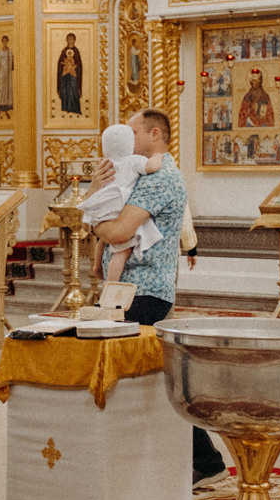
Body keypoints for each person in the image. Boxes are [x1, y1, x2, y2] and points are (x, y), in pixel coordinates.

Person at [91, 107, 220, 481]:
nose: (127, 139)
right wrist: (97, 191)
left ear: (155, 135)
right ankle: (206, 460)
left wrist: (95, 219)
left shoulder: (161, 177)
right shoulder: (138, 173)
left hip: (144, 291)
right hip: (127, 289)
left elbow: (118, 231)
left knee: (140, 375)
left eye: (133, 132)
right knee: (157, 378)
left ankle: (201, 461)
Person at [79, 122, 159, 286]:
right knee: (122, 252)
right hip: (120, 206)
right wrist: (158, 156)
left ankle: (97, 266)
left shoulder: (105, 163)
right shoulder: (134, 160)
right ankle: (111, 283)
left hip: (104, 206)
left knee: (102, 239)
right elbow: (151, 167)